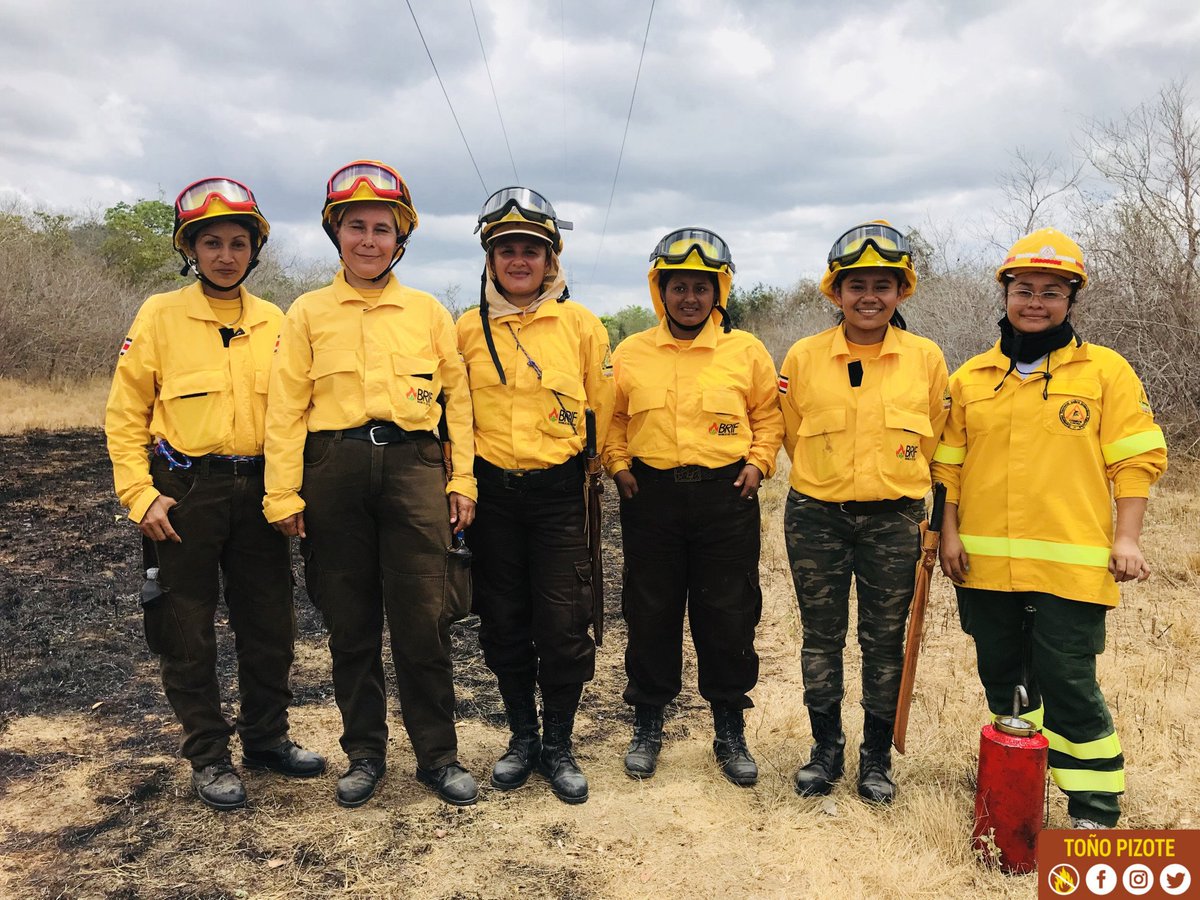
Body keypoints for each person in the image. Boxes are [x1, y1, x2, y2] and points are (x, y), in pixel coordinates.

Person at [934, 228, 1167, 829]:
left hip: (1070, 565)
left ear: (1071, 301)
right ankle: (1020, 773)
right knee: (1004, 679)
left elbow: (1134, 458)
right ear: (1005, 294)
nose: (1035, 302)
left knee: (1068, 681)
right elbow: (949, 468)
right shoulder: (971, 379)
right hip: (984, 567)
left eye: (1052, 292)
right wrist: (949, 534)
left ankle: (1094, 806)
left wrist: (1127, 537)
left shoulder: (1105, 373)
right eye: (1024, 289)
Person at [263, 160, 478, 809]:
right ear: (337, 234)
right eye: (355, 226)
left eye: (381, 228)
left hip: (415, 469)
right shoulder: (306, 313)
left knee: (423, 621)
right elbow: (284, 406)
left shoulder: (427, 312)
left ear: (401, 239)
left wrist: (462, 477)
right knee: (350, 625)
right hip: (333, 470)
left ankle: (437, 756)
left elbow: (459, 402)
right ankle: (365, 754)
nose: (368, 240)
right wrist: (282, 492)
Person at [105, 178, 325, 811]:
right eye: (211, 243)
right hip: (183, 492)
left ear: (253, 251)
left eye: (237, 243)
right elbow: (125, 413)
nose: (225, 255)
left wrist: (294, 491)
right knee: (185, 629)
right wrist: (139, 494)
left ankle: (266, 739)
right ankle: (207, 753)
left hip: (259, 492)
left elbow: (294, 413)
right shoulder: (159, 316)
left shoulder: (276, 321)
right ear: (190, 249)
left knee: (270, 627)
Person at [603, 228, 783, 785]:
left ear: (718, 292)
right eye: (678, 287)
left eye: (701, 288)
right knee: (650, 611)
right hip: (651, 497)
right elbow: (612, 419)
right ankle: (648, 723)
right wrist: (618, 465)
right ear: (661, 291)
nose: (689, 298)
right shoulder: (631, 352)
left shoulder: (745, 350)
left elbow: (769, 417)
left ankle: (729, 727)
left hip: (726, 497)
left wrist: (758, 463)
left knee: (728, 613)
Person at [778, 221, 949, 804]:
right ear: (835, 292)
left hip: (895, 519)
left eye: (884, 284)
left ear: (902, 292)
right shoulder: (802, 358)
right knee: (821, 636)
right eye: (857, 285)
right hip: (816, 516)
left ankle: (876, 757)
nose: (870, 296)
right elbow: (793, 433)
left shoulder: (926, 359)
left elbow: (937, 438)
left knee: (883, 640)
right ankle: (825, 749)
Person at [456, 187, 613, 804]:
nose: (519, 260)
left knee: (565, 623)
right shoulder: (466, 328)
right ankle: (522, 736)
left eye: (532, 250)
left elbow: (604, 410)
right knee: (503, 622)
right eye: (506, 250)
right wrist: (460, 486)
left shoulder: (582, 325)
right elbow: (457, 417)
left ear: (552, 259)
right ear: (490, 258)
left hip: (559, 495)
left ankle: (559, 744)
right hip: (492, 495)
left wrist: (597, 471)